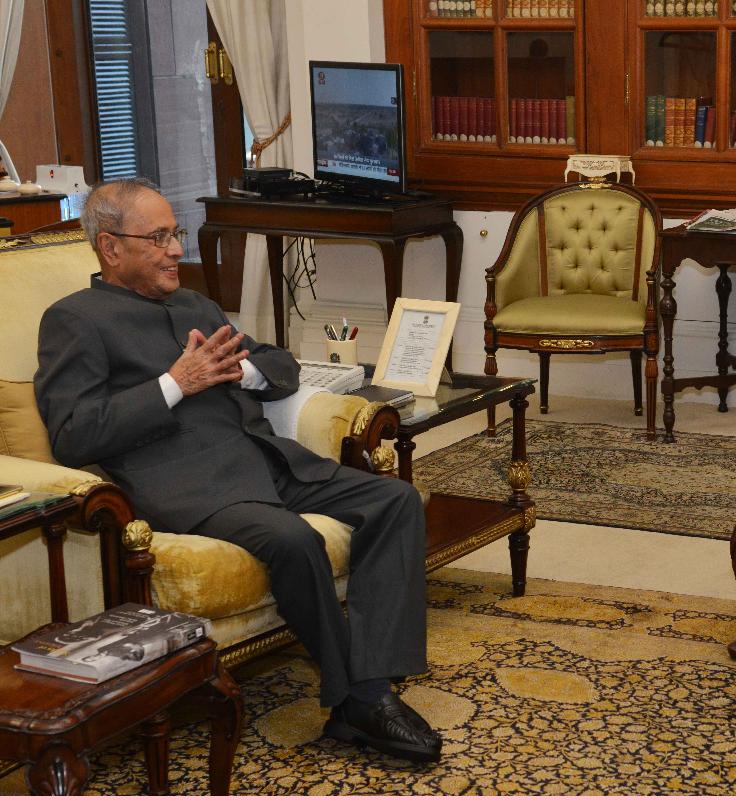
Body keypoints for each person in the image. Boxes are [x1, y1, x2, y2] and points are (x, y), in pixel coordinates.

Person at [34, 179, 442, 764]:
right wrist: (177, 383)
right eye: (158, 238)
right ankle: (361, 700)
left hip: (266, 460)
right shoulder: (74, 319)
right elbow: (74, 434)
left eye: (175, 234)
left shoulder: (194, 305)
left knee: (394, 501)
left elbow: (279, 364)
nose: (176, 250)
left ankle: (373, 677)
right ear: (110, 247)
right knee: (293, 540)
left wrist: (242, 373)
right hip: (189, 485)